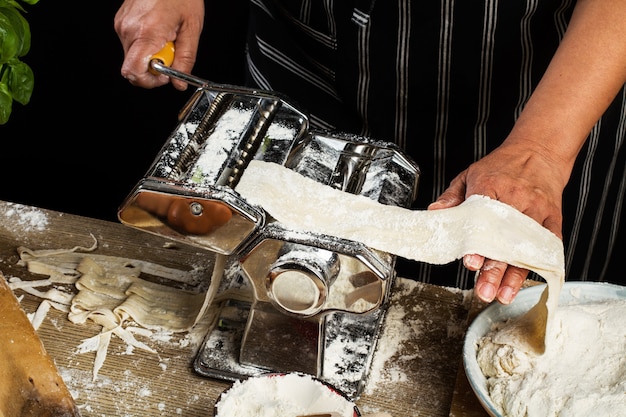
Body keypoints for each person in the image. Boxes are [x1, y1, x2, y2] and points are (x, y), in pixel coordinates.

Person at [114, 0, 626, 305]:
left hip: (530, 86)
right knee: (263, 270)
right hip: (305, 49)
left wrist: (540, 150)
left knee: (485, 323)